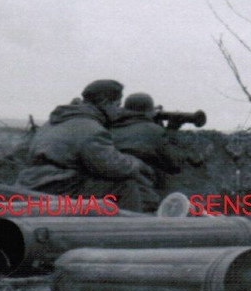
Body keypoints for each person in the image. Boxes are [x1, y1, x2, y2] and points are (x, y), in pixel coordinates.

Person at [17, 79, 156, 211]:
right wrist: (137, 163)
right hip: (56, 187)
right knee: (124, 186)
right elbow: (113, 167)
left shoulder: (57, 120)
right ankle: (129, 230)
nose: (118, 111)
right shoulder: (91, 128)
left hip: (31, 181)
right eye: (117, 105)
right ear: (105, 103)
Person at [110, 93, 185, 203]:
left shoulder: (111, 127)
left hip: (112, 193)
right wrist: (171, 131)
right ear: (149, 111)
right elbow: (174, 164)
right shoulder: (153, 131)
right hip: (142, 194)